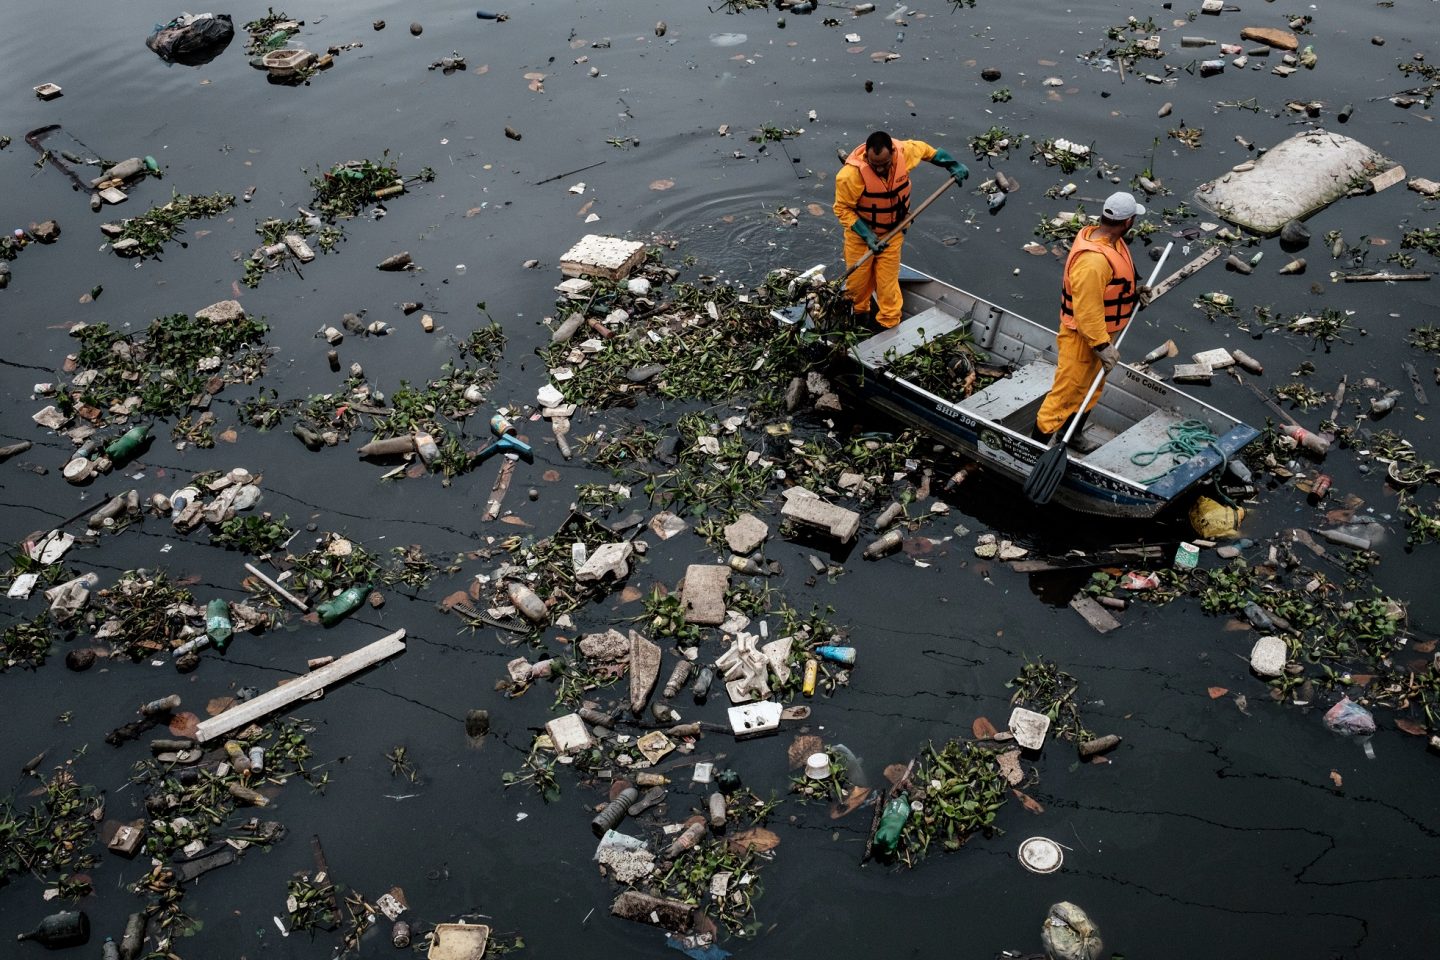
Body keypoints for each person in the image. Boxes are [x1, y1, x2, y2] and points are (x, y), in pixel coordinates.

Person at [1032, 191, 1146, 446]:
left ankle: (1071, 436)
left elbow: (1111, 286)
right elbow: (1086, 310)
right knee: (1065, 395)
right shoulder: (1093, 261)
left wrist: (1134, 295)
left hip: (1101, 334)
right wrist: (1102, 346)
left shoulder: (1110, 240)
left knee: (1091, 388)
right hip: (1083, 338)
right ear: (1127, 222)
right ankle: (1033, 449)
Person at [832, 131, 967, 328]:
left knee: (887, 286)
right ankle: (860, 320)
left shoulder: (904, 152)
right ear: (866, 157)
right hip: (860, 237)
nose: (879, 169)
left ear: (893, 154)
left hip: (892, 232)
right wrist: (867, 235)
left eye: (884, 164)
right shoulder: (850, 176)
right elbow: (842, 209)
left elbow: (928, 152)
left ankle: (888, 326)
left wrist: (953, 164)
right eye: (874, 164)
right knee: (857, 288)